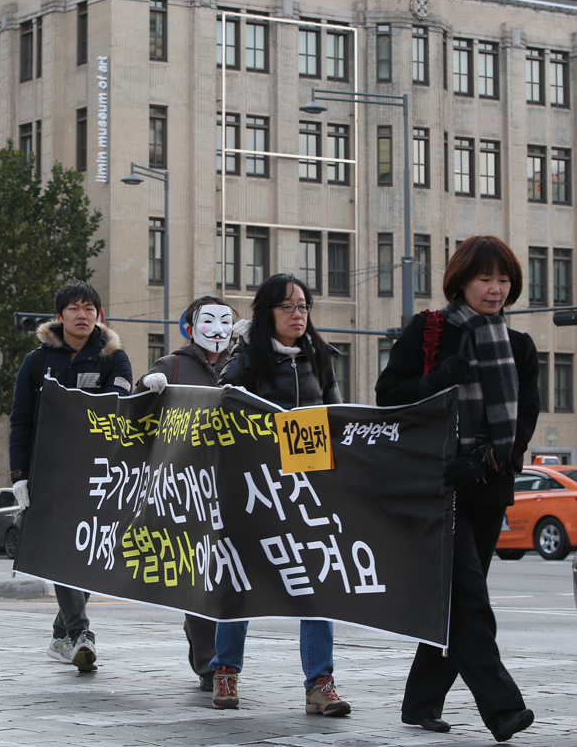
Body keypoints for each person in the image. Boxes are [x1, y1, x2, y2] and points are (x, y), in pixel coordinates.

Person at [375, 236, 539, 743]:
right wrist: (438, 378)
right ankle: (503, 708)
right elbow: (388, 397)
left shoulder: (519, 346)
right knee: (469, 598)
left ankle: (420, 701)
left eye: (504, 279)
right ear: (461, 281)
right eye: (486, 278)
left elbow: (524, 419)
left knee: (455, 600)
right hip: (433, 486)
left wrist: (483, 458)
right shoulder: (430, 331)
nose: (496, 289)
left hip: (486, 485)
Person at [211, 273, 351, 717]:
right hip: (253, 489)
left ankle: (319, 683)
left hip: (305, 487)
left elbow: (335, 415)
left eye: (304, 306)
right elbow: (221, 411)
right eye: (288, 306)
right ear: (267, 312)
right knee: (239, 579)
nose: (298, 314)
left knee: (317, 585)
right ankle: (225, 672)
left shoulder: (320, 356)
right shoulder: (245, 360)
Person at [9, 281, 133, 672]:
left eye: (90, 309)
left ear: (99, 315)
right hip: (48, 474)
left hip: (98, 474)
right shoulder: (37, 361)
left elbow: (119, 410)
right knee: (65, 551)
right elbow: (21, 421)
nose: (83, 315)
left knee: (90, 554)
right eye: (75, 309)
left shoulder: (115, 359)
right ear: (59, 315)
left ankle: (61, 636)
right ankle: (81, 634)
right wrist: (20, 476)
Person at [134, 296, 234, 691]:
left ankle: (222, 657)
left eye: (226, 321)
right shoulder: (174, 364)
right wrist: (148, 385)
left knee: (228, 576)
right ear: (190, 327)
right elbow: (138, 408)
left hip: (232, 486)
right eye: (208, 320)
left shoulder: (241, 366)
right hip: (185, 489)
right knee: (201, 576)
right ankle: (210, 663)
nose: (218, 328)